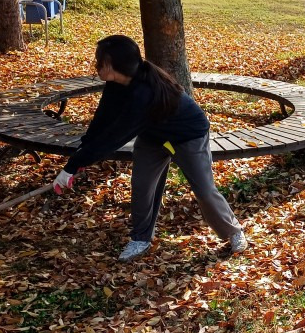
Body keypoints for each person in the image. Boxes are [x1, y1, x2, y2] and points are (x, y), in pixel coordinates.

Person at [52, 35, 247, 262]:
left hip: (187, 136)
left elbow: (114, 138)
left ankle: (233, 231)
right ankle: (141, 238)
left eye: (99, 62)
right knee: (142, 186)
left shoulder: (143, 94)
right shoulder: (116, 83)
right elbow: (102, 120)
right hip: (153, 136)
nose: (96, 67)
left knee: (204, 190)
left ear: (114, 65)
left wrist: (72, 166)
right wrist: (81, 153)